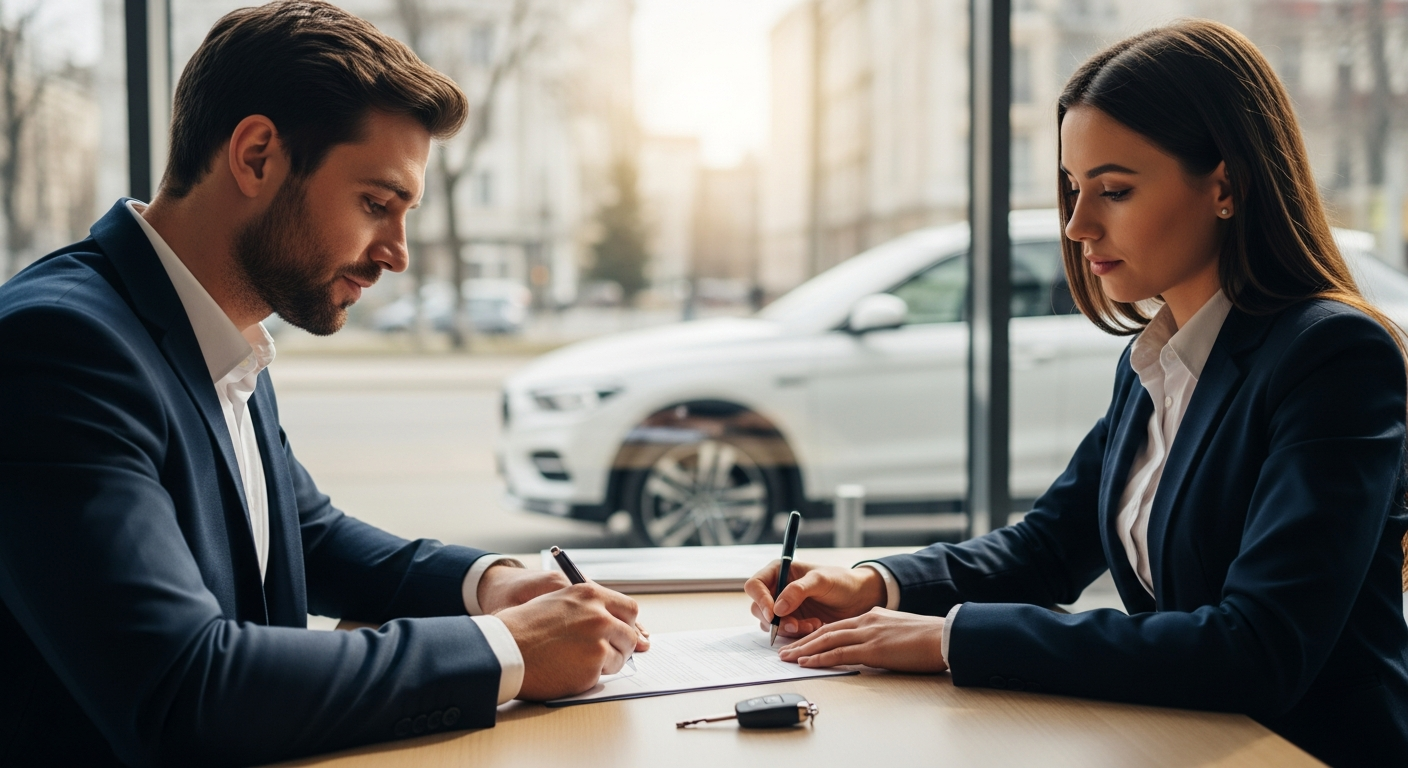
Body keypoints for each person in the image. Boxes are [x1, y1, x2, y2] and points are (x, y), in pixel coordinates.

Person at [747, 20, 1408, 768]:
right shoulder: (1151, 362)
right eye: (1072, 187)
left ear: (1225, 185)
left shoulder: (1333, 357)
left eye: (1114, 190)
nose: (1077, 222)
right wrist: (876, 584)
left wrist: (949, 640)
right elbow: (1047, 549)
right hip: (1186, 741)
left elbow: (1255, 646)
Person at [0, 2, 646, 766]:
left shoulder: (218, 326)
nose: (397, 254)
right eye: (377, 204)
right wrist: (505, 650)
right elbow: (183, 686)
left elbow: (306, 534)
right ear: (258, 156)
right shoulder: (58, 346)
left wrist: (491, 586)